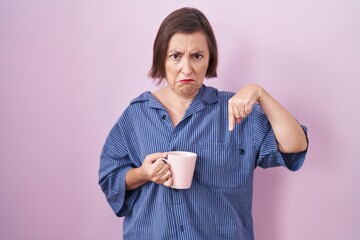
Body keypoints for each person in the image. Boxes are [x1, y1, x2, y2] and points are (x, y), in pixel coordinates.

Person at [98, 7, 308, 240]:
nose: (186, 68)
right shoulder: (136, 115)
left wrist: (260, 93)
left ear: (209, 60)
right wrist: (143, 174)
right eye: (176, 56)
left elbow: (295, 144)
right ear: (161, 58)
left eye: (197, 56)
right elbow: (110, 179)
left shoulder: (236, 111)